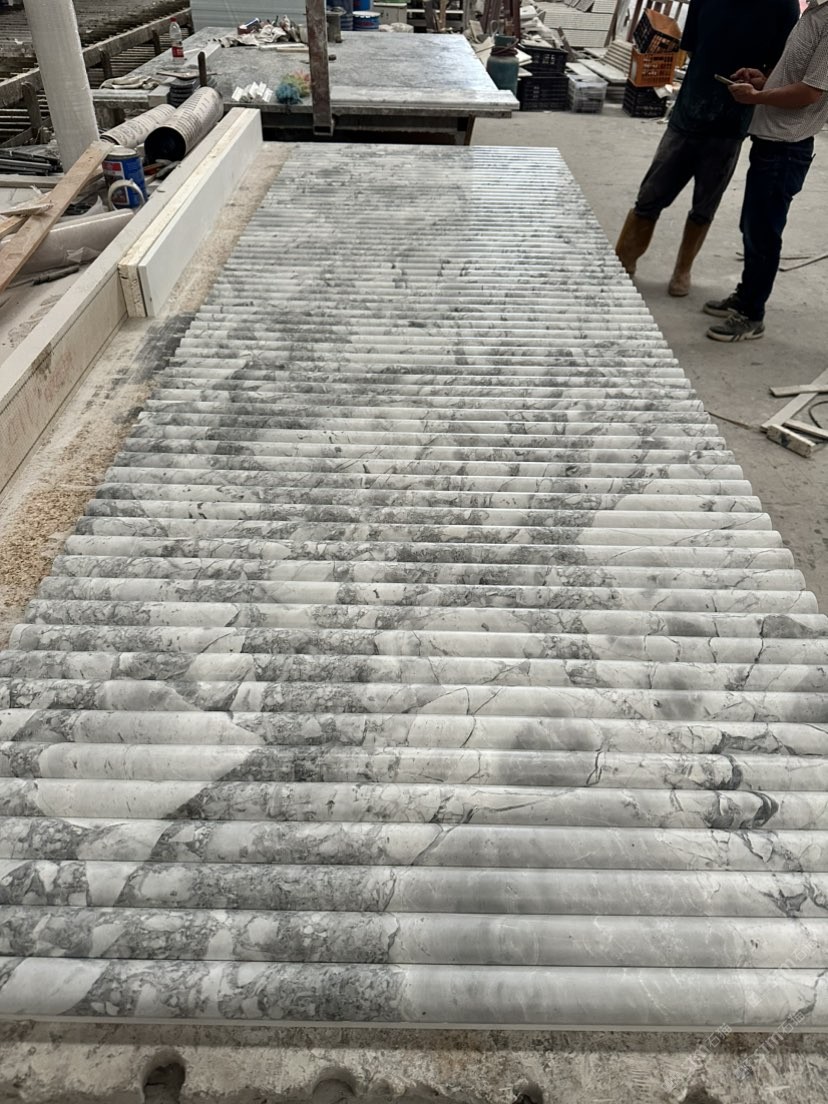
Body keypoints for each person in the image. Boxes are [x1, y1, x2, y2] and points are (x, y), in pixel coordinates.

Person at [616, 0, 799, 297]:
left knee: (705, 205)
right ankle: (624, 261)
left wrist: (758, 83)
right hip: (688, 113)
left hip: (731, 123)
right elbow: (691, 48)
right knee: (650, 195)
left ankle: (682, 270)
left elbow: (780, 67)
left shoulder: (782, 6)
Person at [705, 0, 828, 341]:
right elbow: (796, 76)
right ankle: (746, 296)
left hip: (787, 147)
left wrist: (756, 98)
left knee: (763, 233)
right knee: (753, 226)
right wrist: (763, 81)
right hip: (772, 141)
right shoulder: (813, 12)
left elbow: (810, 92)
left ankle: (751, 315)